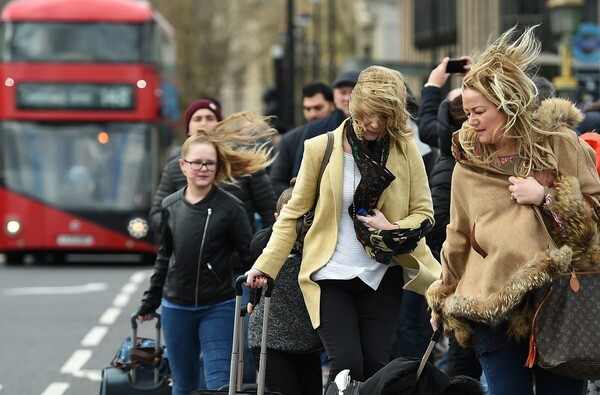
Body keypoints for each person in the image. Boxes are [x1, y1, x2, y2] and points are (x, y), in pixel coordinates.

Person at [426, 26, 600, 395]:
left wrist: (546, 196)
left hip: (559, 301)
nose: (470, 120)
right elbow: (457, 234)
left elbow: (594, 213)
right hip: (492, 303)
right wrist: (443, 295)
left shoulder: (560, 145)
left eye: (478, 111)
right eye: (467, 111)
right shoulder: (466, 163)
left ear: (508, 107)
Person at [244, 65, 441, 388]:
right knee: (346, 364)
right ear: (353, 106)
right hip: (330, 273)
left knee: (376, 366)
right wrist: (265, 266)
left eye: (383, 115)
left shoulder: (405, 151)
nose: (374, 123)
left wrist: (392, 228)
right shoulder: (320, 148)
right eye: (366, 115)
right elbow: (293, 214)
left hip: (383, 272)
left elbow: (424, 212)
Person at [136, 120, 274, 394]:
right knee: (183, 385)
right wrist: (150, 302)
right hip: (176, 307)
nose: (203, 169)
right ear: (183, 166)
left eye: (209, 164)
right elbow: (164, 258)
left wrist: (255, 293)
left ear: (218, 168)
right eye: (196, 163)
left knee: (220, 384)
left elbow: (249, 255)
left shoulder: (231, 207)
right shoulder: (169, 205)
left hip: (218, 306)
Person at [149, 103, 277, 234]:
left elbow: (269, 211)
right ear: (188, 129)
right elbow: (157, 216)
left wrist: (261, 247)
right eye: (197, 119)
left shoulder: (242, 162)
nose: (203, 123)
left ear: (220, 125)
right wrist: (182, 227)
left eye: (210, 118)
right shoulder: (174, 167)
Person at [247, 179, 324, 395]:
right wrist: (254, 297)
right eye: (290, 216)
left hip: (307, 340)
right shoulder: (264, 242)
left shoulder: (318, 247)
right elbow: (255, 273)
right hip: (268, 337)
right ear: (277, 219)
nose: (296, 224)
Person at [289, 70, 360, 178]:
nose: (347, 98)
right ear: (334, 96)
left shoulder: (374, 128)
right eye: (342, 92)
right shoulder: (314, 128)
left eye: (353, 92)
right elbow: (300, 174)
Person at [270, 82, 335, 196]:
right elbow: (276, 181)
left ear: (332, 105)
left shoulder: (343, 135)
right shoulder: (289, 140)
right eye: (307, 109)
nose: (312, 114)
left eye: (318, 108)